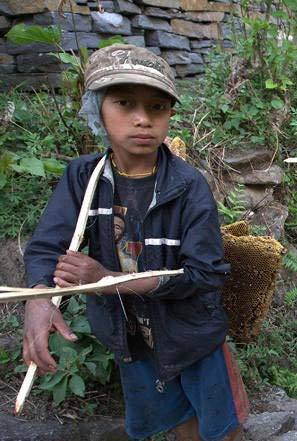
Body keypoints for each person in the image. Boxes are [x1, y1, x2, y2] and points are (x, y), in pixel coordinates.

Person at [22, 44, 248, 441]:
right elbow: (47, 246)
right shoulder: (83, 177)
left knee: (219, 428)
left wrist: (105, 278)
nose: (142, 119)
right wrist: (39, 298)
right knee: (178, 421)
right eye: (124, 103)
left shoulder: (188, 186)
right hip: (132, 338)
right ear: (97, 110)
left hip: (191, 334)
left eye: (157, 107)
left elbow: (202, 275)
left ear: (170, 115)